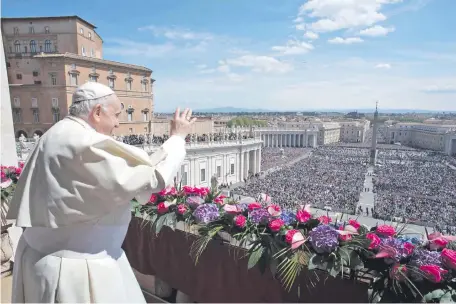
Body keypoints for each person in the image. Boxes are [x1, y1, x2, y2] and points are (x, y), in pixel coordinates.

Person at [7, 82, 196, 303]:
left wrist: (168, 145)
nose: (117, 123)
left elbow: (134, 170)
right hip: (75, 272)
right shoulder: (83, 142)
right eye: (116, 115)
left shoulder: (58, 133)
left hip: (43, 259)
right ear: (97, 112)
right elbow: (152, 179)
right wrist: (178, 139)